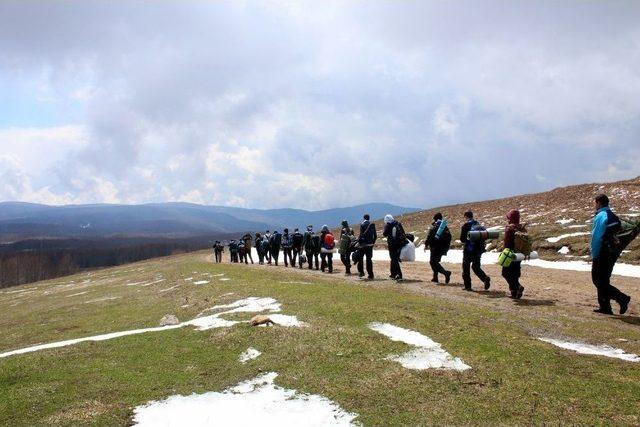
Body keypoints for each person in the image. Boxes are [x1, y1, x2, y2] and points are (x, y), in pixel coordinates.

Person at [591, 194, 631, 315]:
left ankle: (622, 298)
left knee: (597, 280)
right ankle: (605, 307)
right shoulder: (612, 215)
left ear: (598, 202)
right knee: (604, 279)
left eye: (595, 202)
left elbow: (597, 237)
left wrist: (595, 253)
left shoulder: (601, 216)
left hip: (603, 252)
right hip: (612, 252)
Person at [459, 211, 490, 291]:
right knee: (476, 267)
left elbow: (462, 239)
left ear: (466, 216)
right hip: (478, 250)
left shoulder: (465, 225)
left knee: (466, 268)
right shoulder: (478, 225)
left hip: (468, 250)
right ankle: (485, 278)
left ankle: (467, 286)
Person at [502, 210, 526, 299]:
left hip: (510, 254)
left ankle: (518, 287)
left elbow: (507, 243)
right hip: (520, 254)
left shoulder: (509, 228)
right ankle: (514, 293)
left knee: (505, 273)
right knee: (515, 273)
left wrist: (505, 252)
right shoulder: (521, 228)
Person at [425, 213, 452, 284]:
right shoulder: (444, 227)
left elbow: (429, 236)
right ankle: (435, 278)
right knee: (435, 262)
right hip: (443, 248)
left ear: (435, 219)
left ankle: (446, 273)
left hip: (435, 247)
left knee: (432, 262)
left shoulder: (435, 226)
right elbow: (449, 237)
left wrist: (426, 244)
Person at [382, 214, 405, 281]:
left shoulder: (388, 225)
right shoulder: (398, 223)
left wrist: (386, 227)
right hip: (399, 244)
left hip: (392, 245)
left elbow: (384, 234)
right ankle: (393, 274)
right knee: (394, 259)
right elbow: (403, 232)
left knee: (394, 259)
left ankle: (398, 274)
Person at [357, 214, 377, 279]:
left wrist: (359, 242)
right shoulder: (372, 225)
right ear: (369, 218)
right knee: (369, 260)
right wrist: (372, 243)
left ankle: (361, 272)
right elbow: (375, 236)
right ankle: (371, 274)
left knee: (360, 259)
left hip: (363, 245)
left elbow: (361, 235)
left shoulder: (362, 224)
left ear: (364, 218)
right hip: (370, 245)